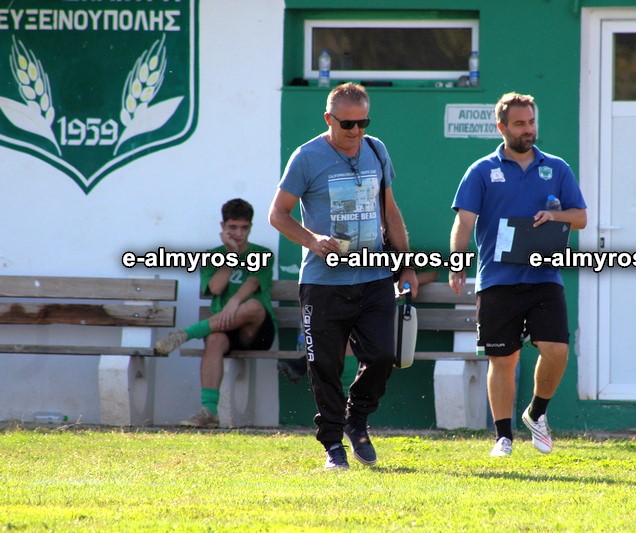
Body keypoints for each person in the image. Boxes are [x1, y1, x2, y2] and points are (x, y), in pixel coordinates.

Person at [269, 82, 418, 470]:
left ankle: (357, 419)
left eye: (362, 123)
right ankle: (333, 444)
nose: (355, 131)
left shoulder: (376, 149)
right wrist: (312, 239)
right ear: (328, 119)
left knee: (383, 355)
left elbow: (389, 211)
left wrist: (405, 265)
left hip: (374, 277)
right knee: (325, 367)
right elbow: (278, 214)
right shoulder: (306, 157)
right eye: (347, 124)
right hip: (323, 282)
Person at [449, 92, 587, 457]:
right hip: (498, 280)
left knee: (556, 350)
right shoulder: (481, 171)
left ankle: (536, 413)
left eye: (532, 122)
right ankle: (503, 437)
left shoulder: (557, 168)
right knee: (503, 359)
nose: (528, 130)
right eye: (520, 124)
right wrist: (457, 262)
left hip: (544, 277)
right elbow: (464, 222)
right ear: (502, 127)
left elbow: (581, 218)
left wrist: (555, 216)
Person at [155, 198, 277, 428]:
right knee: (213, 340)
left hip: (257, 331)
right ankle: (209, 411)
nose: (238, 233)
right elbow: (216, 288)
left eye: (244, 228)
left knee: (253, 306)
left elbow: (253, 282)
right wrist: (231, 254)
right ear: (222, 226)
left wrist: (234, 302)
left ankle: (187, 334)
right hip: (225, 328)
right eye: (233, 227)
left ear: (250, 227)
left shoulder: (263, 253)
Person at [276, 268, 439, 384]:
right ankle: (340, 399)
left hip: (385, 318)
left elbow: (432, 273)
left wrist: (398, 285)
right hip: (359, 312)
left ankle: (306, 366)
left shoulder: (402, 251)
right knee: (342, 328)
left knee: (348, 335)